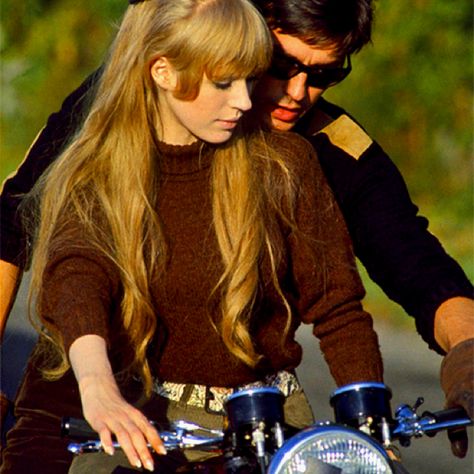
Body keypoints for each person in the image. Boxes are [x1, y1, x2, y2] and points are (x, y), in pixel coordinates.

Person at [0, 0, 472, 459]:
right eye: (280, 64)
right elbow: (20, 232)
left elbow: (410, 264)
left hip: (250, 410)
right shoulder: (123, 106)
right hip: (100, 380)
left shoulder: (322, 148)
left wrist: (467, 355)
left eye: (326, 74)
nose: (297, 92)